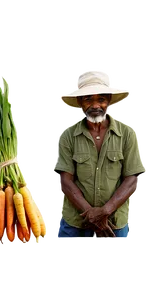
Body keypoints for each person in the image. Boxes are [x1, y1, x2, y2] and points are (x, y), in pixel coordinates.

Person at [52, 69, 146, 240]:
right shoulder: (68, 136)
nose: (95, 105)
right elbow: (65, 182)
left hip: (114, 222)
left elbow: (132, 182)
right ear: (80, 102)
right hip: (75, 223)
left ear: (109, 101)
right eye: (88, 99)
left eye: (101, 99)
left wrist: (104, 212)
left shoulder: (127, 134)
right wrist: (92, 215)